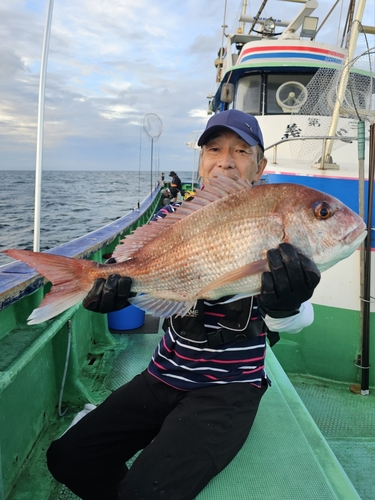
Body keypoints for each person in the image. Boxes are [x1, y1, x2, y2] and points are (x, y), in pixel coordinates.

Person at [47, 109, 321, 500]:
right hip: (162, 375)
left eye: (241, 151)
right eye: (214, 148)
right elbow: (128, 267)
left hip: (228, 390)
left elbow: (295, 320)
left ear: (260, 166)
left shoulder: (276, 221)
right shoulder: (171, 217)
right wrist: (106, 290)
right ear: (202, 161)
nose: (225, 159)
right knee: (66, 457)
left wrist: (286, 304)